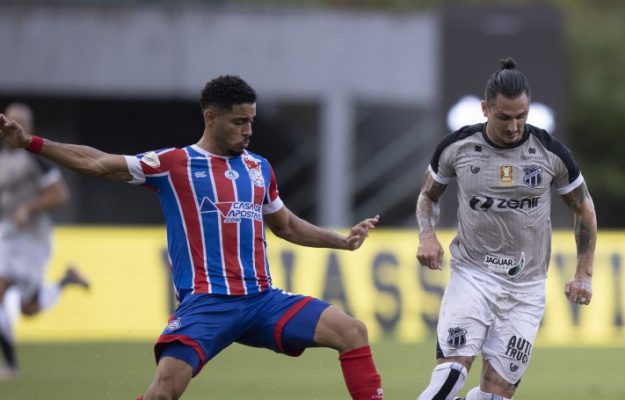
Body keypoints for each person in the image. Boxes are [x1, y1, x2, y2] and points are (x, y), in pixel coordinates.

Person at [0, 76, 384, 400]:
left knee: (352, 331)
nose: (248, 130)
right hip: (207, 304)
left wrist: (341, 241)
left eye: (251, 121)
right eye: (238, 122)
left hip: (262, 300)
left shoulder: (259, 168)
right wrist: (31, 142)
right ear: (210, 118)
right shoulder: (174, 164)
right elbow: (98, 163)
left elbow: (285, 225)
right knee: (163, 391)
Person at [415, 58, 597, 400]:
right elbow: (428, 195)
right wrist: (427, 235)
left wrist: (583, 273)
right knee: (451, 375)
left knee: (494, 396)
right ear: (485, 109)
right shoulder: (457, 147)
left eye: (521, 116)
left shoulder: (550, 153)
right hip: (472, 276)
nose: (514, 126)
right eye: (504, 117)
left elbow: (583, 208)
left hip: (526, 289)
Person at [0, 102, 91, 380]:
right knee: (16, 300)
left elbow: (60, 194)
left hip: (32, 239)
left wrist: (28, 208)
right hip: (8, 235)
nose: (10, 127)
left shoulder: (34, 160)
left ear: (27, 127)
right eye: (8, 120)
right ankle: (10, 364)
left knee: (27, 307)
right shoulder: (4, 159)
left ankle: (11, 365)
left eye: (18, 121)